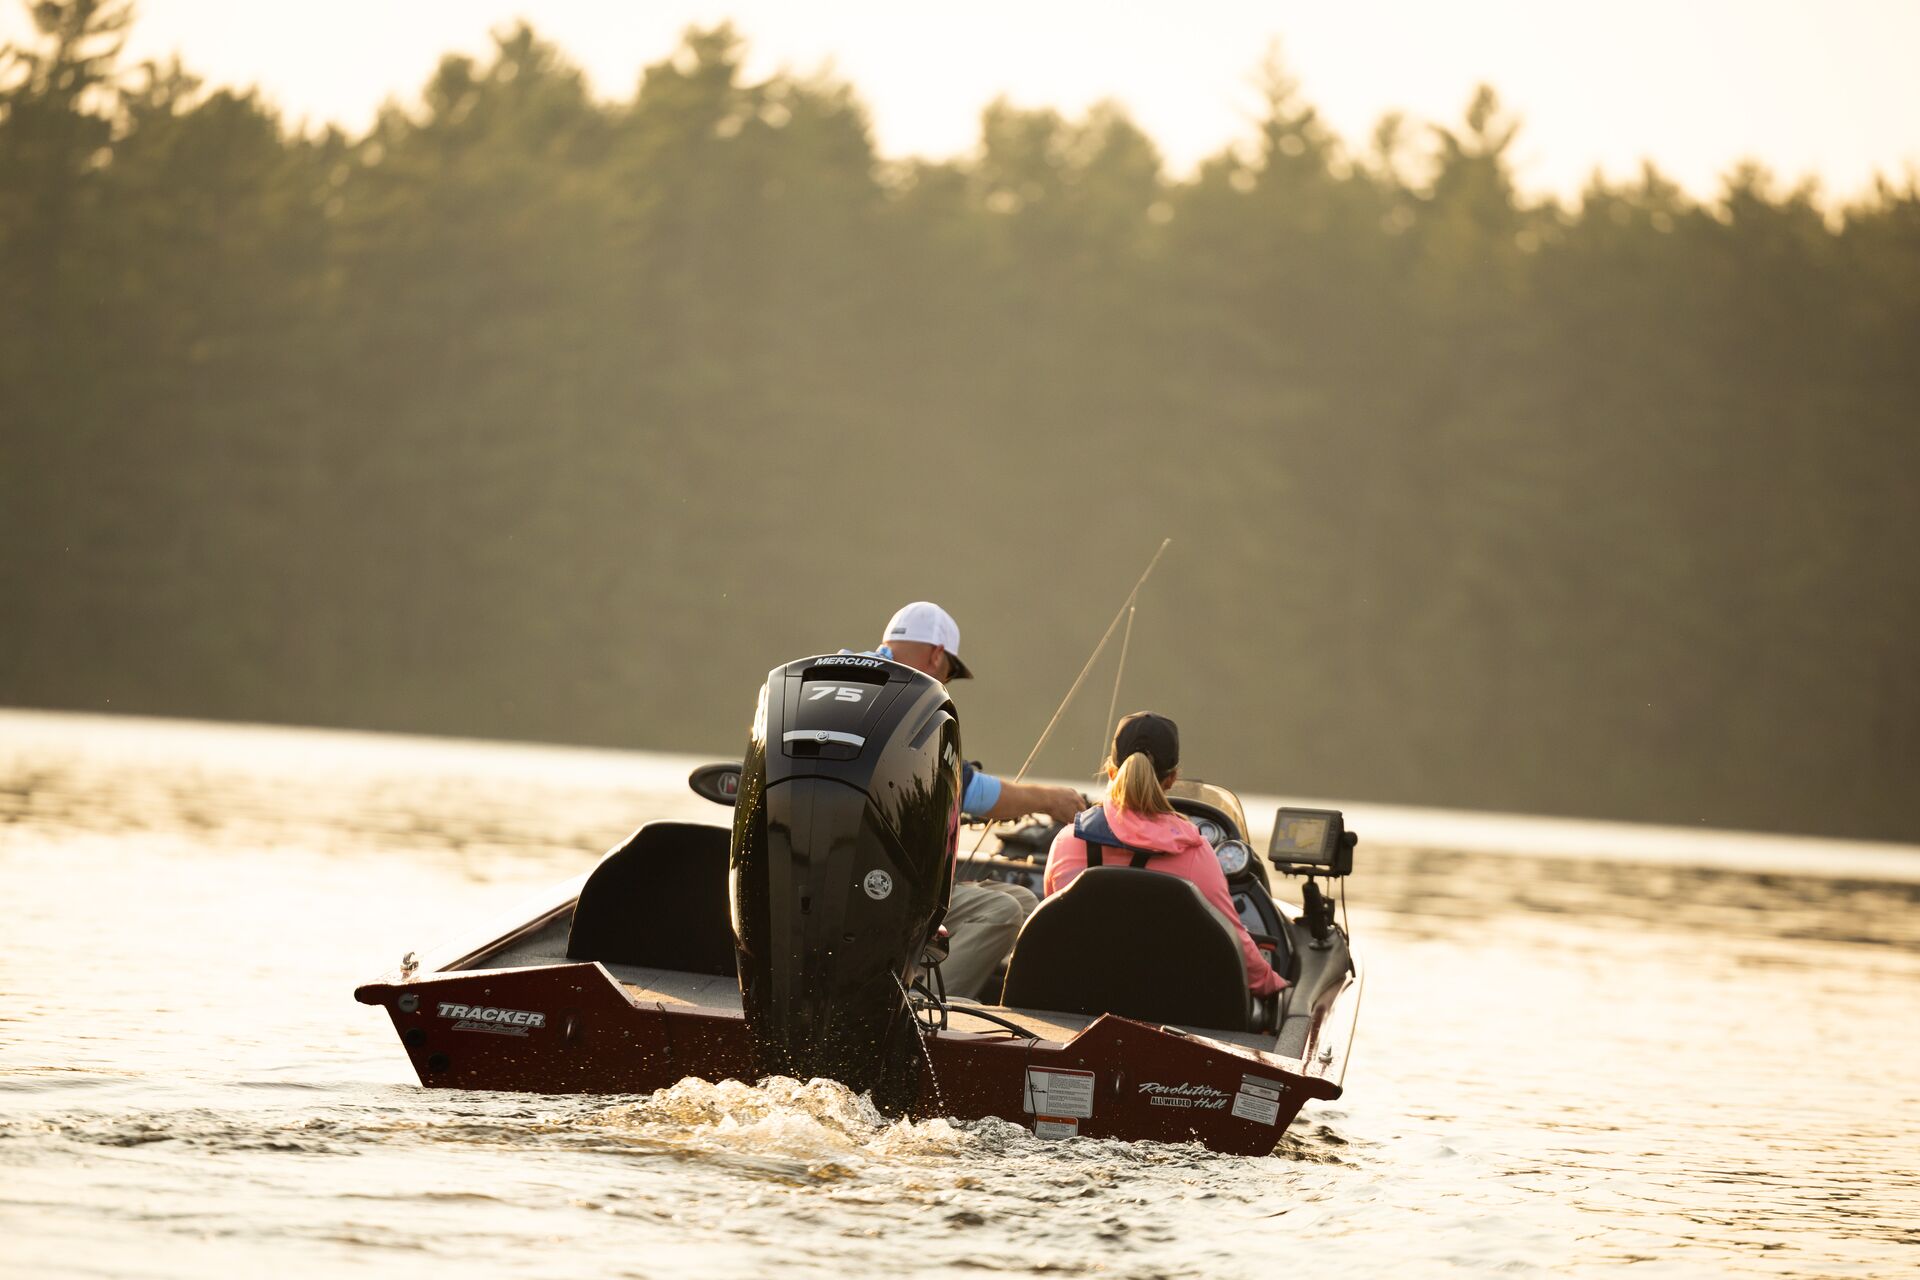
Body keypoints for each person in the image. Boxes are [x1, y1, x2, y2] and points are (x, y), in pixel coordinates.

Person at [855, 601, 1084, 999]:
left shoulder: (849, 682)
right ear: (937, 655)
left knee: (1022, 898)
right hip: (883, 889)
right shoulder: (906, 693)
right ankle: (912, 1008)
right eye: (947, 674)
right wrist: (1050, 800)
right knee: (1004, 912)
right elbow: (973, 792)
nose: (944, 685)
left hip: (849, 879)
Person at [1043, 711, 1287, 997]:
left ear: (1111, 772)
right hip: (1168, 1014)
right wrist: (1276, 986)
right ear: (1171, 779)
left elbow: (1054, 928)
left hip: (1073, 1003)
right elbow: (1235, 944)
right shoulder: (1196, 855)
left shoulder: (1068, 842)